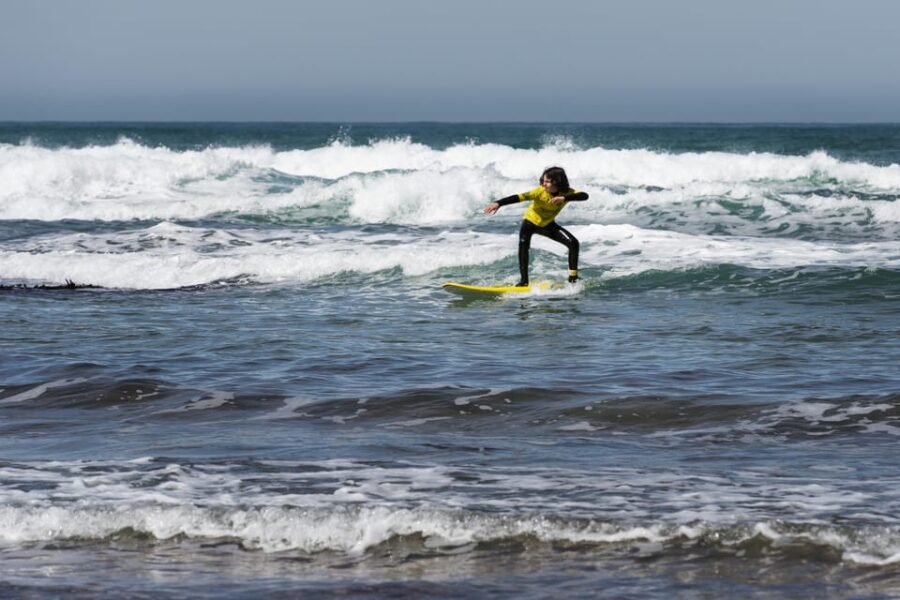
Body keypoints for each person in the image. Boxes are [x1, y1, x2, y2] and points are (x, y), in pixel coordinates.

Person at [483, 166, 588, 286]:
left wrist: (564, 198)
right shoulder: (539, 192)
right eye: (543, 180)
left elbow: (584, 196)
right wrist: (499, 203)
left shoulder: (566, 193)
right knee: (523, 246)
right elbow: (519, 197)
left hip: (548, 225)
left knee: (573, 243)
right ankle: (524, 281)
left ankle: (573, 278)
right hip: (530, 223)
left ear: (557, 182)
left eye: (547, 181)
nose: (543, 184)